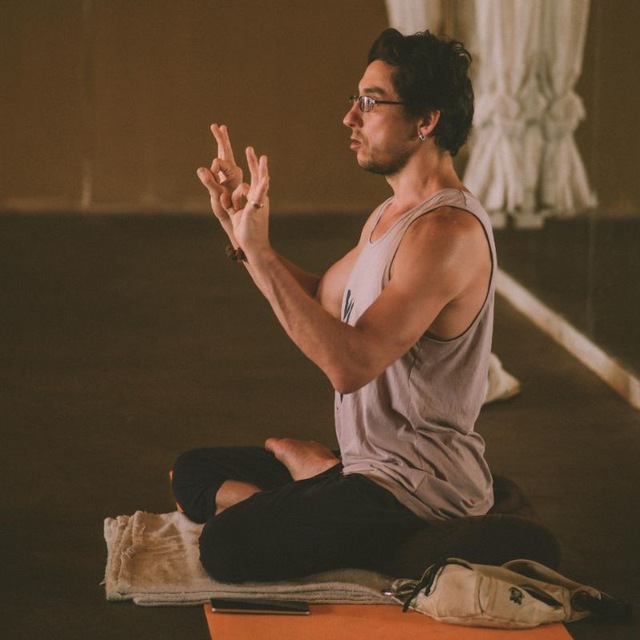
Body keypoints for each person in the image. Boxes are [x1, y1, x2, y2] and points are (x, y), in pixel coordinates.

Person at [171, 28, 496, 584]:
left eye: (370, 102)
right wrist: (246, 238)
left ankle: (385, 520)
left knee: (226, 546)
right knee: (193, 470)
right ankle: (324, 479)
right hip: (366, 468)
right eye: (355, 99)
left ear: (425, 121)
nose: (350, 117)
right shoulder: (390, 214)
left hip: (416, 489)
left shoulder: (447, 232)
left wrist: (259, 253)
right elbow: (324, 297)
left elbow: (350, 364)